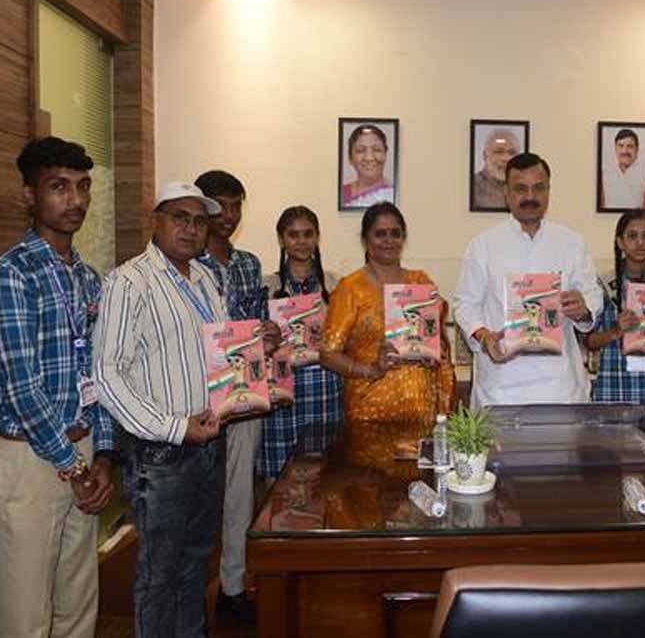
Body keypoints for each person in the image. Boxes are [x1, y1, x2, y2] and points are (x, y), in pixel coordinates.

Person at [0, 137, 115, 638]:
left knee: (78, 607)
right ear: (29, 195)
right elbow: (22, 389)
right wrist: (73, 466)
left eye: (83, 186)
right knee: (26, 618)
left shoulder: (88, 278)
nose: (75, 200)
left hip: (83, 452)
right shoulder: (11, 275)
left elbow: (100, 373)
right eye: (59, 187)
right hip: (31, 461)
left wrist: (103, 457)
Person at [93, 181, 228, 637]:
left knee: (196, 562)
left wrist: (255, 348)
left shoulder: (205, 279)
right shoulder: (129, 281)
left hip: (209, 443)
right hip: (160, 454)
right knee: (159, 575)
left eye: (200, 221)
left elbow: (219, 351)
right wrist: (173, 427)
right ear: (156, 221)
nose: (191, 229)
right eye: (179, 218)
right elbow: (107, 375)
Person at [454, 152, 603, 408]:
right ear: (507, 193)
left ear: (549, 191)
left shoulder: (572, 243)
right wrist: (483, 336)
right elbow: (465, 304)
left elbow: (592, 295)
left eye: (539, 188)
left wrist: (584, 310)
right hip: (501, 388)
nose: (530, 197)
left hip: (561, 388)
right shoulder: (482, 246)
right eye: (521, 189)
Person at [193, 170, 267, 623]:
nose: (229, 214)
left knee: (240, 497)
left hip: (242, 398)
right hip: (195, 403)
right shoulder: (184, 261)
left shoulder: (249, 264)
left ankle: (233, 589)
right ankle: (192, 599)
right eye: (220, 205)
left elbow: (255, 323)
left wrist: (268, 333)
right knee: (198, 502)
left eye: (237, 205)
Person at [320, 202, 455, 423]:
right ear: (365, 239)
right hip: (369, 414)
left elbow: (437, 341)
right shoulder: (351, 288)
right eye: (380, 234)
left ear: (403, 238)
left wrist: (434, 352)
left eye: (395, 233)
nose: (389, 240)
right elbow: (328, 355)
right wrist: (371, 370)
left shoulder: (420, 282)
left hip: (421, 412)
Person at [260, 206, 343, 481]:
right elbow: (253, 345)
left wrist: (330, 339)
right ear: (281, 239)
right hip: (282, 394)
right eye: (293, 235)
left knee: (325, 479)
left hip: (325, 391)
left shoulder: (336, 284)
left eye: (308, 234)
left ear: (317, 237)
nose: (301, 241)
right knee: (280, 481)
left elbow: (350, 339)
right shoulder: (266, 286)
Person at [586, 209, 645, 406]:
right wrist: (616, 331)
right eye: (632, 236)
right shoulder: (602, 284)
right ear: (620, 242)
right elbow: (589, 341)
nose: (640, 242)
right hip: (614, 388)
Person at [341, 124, 394, 208]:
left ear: (385, 154)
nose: (369, 158)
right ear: (350, 158)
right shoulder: (341, 193)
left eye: (376, 150)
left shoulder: (392, 192)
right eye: (360, 150)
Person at [600, 128, 645, 210]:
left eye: (630, 146)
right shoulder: (605, 174)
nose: (625, 151)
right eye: (620, 146)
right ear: (615, 148)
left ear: (637, 149)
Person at [472, 128, 520, 210]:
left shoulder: (524, 187)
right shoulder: (472, 186)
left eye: (512, 153)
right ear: (485, 156)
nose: (506, 158)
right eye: (498, 152)